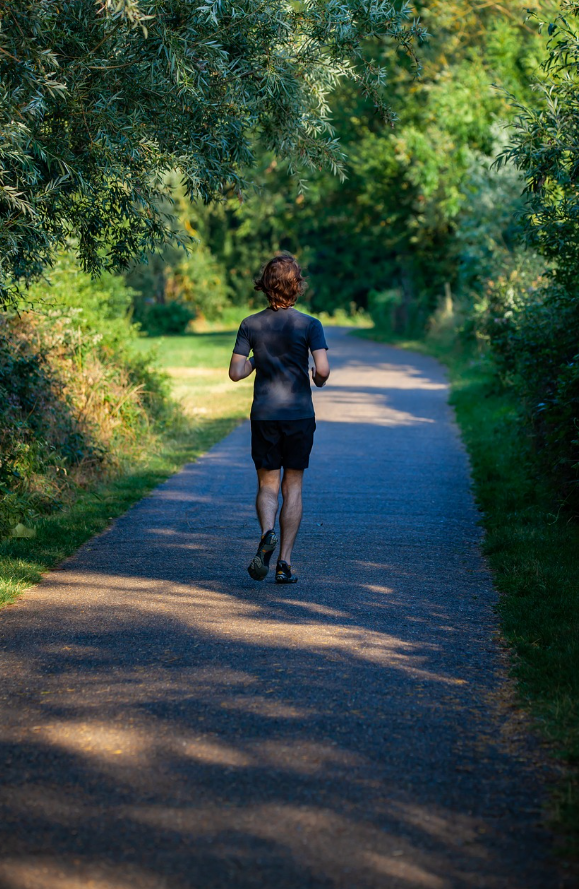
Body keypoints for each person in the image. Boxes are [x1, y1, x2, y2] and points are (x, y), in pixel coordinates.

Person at [229, 254, 330, 584]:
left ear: (265, 285)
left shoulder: (250, 324)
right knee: (293, 486)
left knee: (267, 485)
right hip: (299, 415)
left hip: (265, 416)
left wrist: (257, 360)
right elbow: (323, 370)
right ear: (296, 286)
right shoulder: (310, 325)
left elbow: (235, 372)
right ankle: (284, 564)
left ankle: (267, 532)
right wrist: (318, 378)